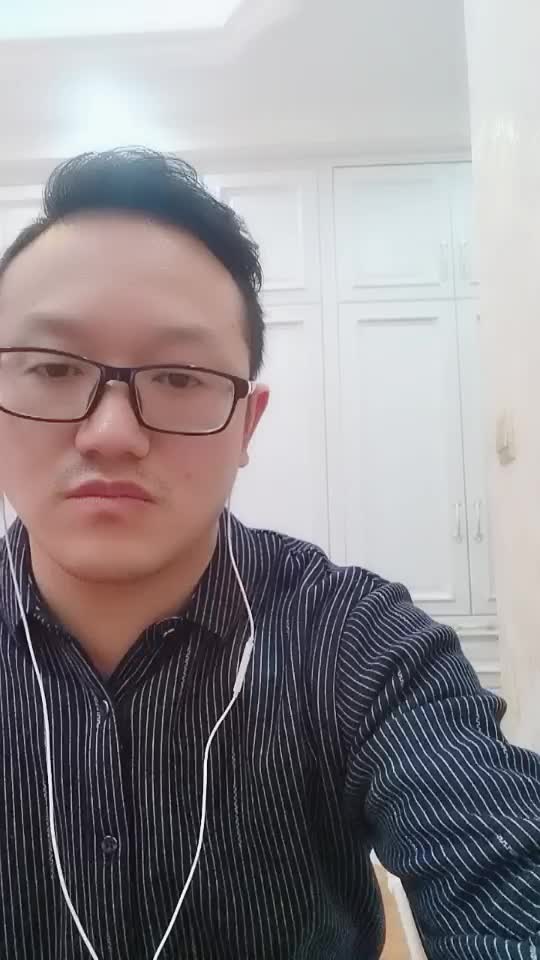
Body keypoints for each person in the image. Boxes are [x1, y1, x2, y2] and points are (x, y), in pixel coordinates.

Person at [0, 148, 537, 960]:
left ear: (247, 425)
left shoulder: (359, 644)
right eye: (51, 367)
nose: (110, 433)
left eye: (179, 378)